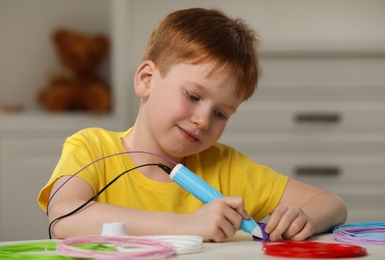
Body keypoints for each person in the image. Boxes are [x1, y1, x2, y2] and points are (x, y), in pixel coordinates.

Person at [38, 7, 347, 242]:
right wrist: (187, 225)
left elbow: (331, 203)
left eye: (221, 114)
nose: (203, 120)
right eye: (193, 95)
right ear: (147, 80)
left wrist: (301, 217)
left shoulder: (225, 167)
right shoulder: (91, 148)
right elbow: (65, 214)